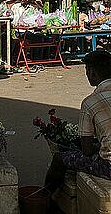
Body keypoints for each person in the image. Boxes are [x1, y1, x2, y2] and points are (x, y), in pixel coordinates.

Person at [45, 50, 111, 192]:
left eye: (87, 70)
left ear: (92, 72)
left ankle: (45, 199)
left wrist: (99, 148)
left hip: (109, 166)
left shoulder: (90, 102)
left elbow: (87, 150)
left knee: (59, 158)